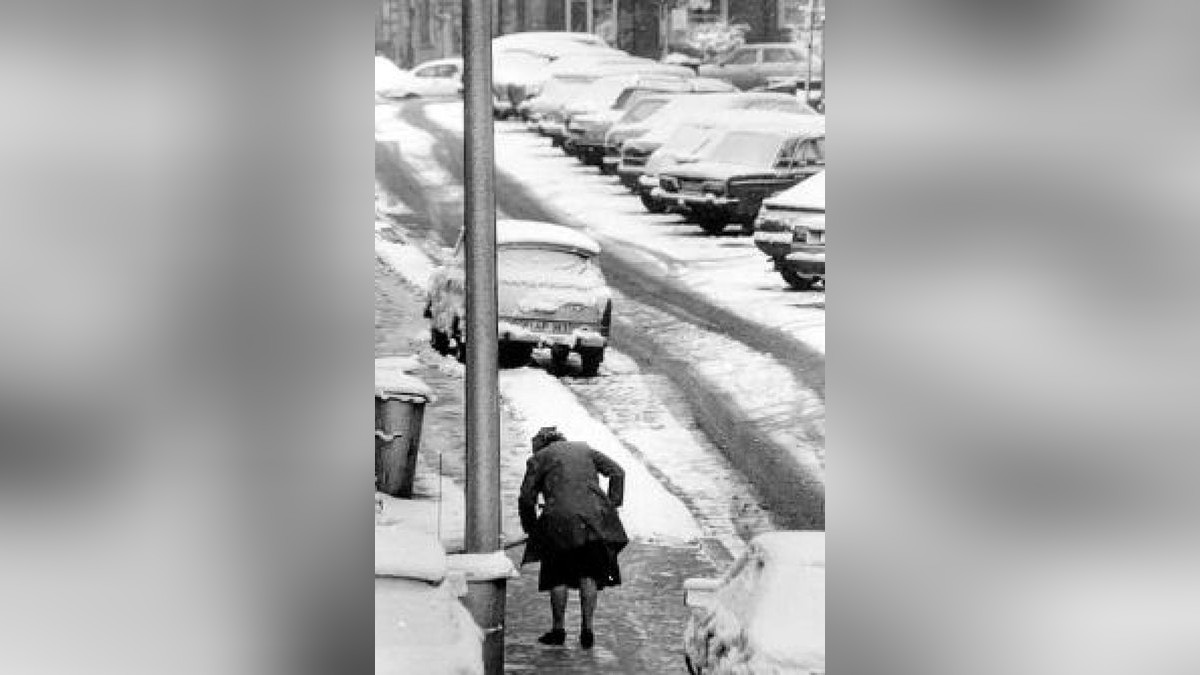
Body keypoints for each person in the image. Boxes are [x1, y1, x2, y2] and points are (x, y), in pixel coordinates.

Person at [518, 426, 628, 649]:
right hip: (592, 521)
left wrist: (531, 529)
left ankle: (558, 630)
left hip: (558, 522)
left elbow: (526, 498)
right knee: (588, 574)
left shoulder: (539, 458)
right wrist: (611, 503)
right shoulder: (584, 449)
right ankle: (587, 630)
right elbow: (618, 472)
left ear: (540, 446)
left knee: (557, 575)